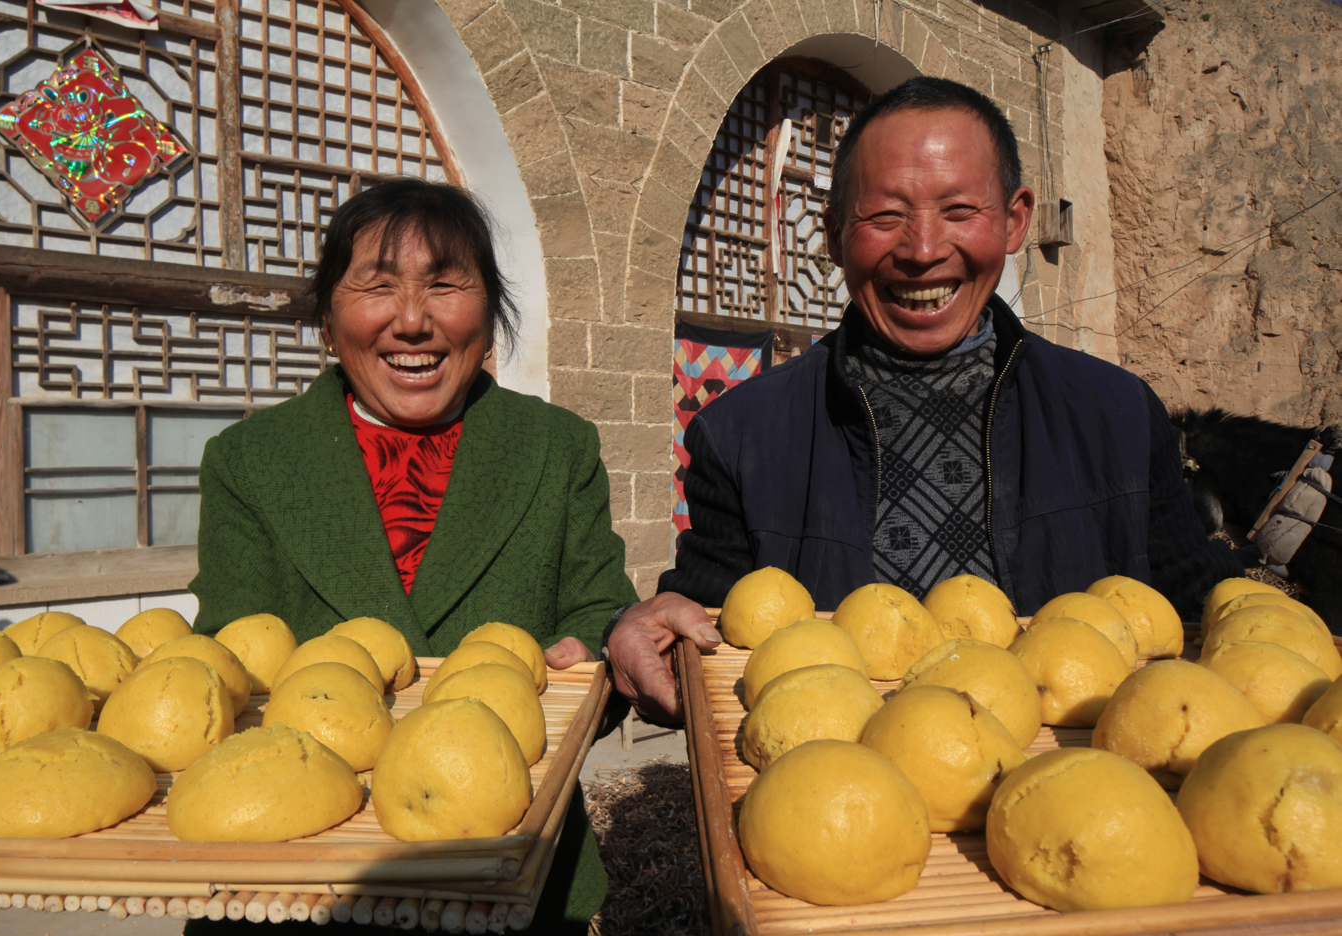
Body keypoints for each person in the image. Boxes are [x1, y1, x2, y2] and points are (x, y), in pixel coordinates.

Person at [604, 77, 1242, 723]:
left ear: (1016, 219)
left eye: (960, 210)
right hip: (831, 797)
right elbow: (708, 626)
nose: (924, 250)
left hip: (1076, 800)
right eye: (885, 216)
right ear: (832, 234)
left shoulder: (1117, 413)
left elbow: (1193, 608)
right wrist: (645, 633)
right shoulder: (742, 433)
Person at [188, 178, 637, 932]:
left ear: (489, 314)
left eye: (445, 285)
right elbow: (234, 649)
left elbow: (598, 606)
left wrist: (592, 655)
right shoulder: (249, 460)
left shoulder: (558, 449)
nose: (412, 321)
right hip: (299, 875)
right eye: (377, 286)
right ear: (329, 317)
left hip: (510, 862)